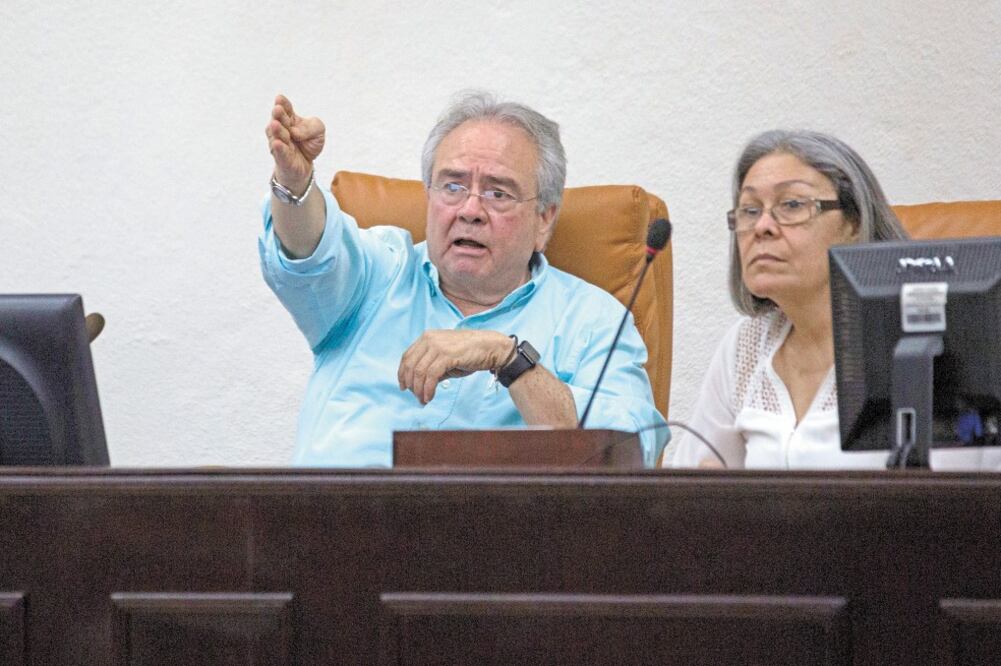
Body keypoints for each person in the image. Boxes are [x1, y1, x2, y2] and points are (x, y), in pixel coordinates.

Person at [260, 92, 667, 467]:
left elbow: (626, 455)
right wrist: (295, 184)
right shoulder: (377, 274)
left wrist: (509, 358)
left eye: (498, 193)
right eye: (453, 186)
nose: (470, 209)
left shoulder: (594, 320)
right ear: (429, 197)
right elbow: (310, 253)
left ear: (544, 219)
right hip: (331, 531)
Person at [670, 129, 909, 469]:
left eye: (792, 205)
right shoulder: (747, 345)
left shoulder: (916, 341)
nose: (762, 226)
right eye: (750, 210)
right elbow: (690, 485)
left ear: (854, 223)